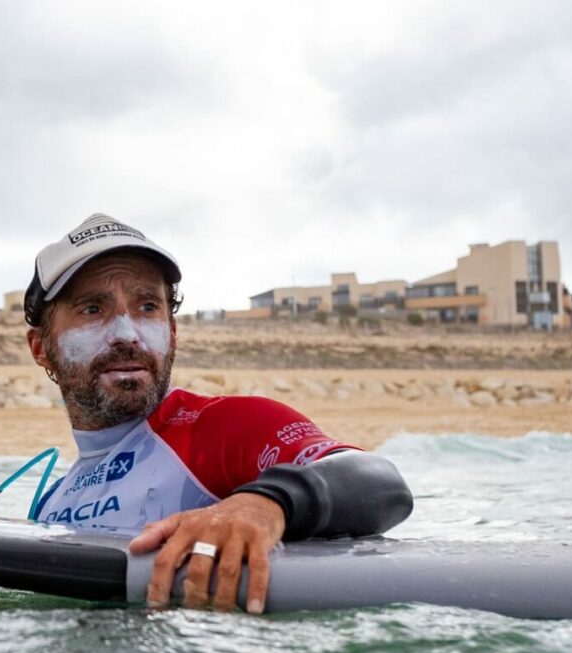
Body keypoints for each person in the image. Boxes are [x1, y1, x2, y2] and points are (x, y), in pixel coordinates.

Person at [23, 214, 414, 614]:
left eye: (147, 306)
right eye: (92, 309)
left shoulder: (225, 428)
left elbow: (382, 484)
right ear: (40, 347)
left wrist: (263, 504)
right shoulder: (52, 503)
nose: (127, 333)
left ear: (172, 332)